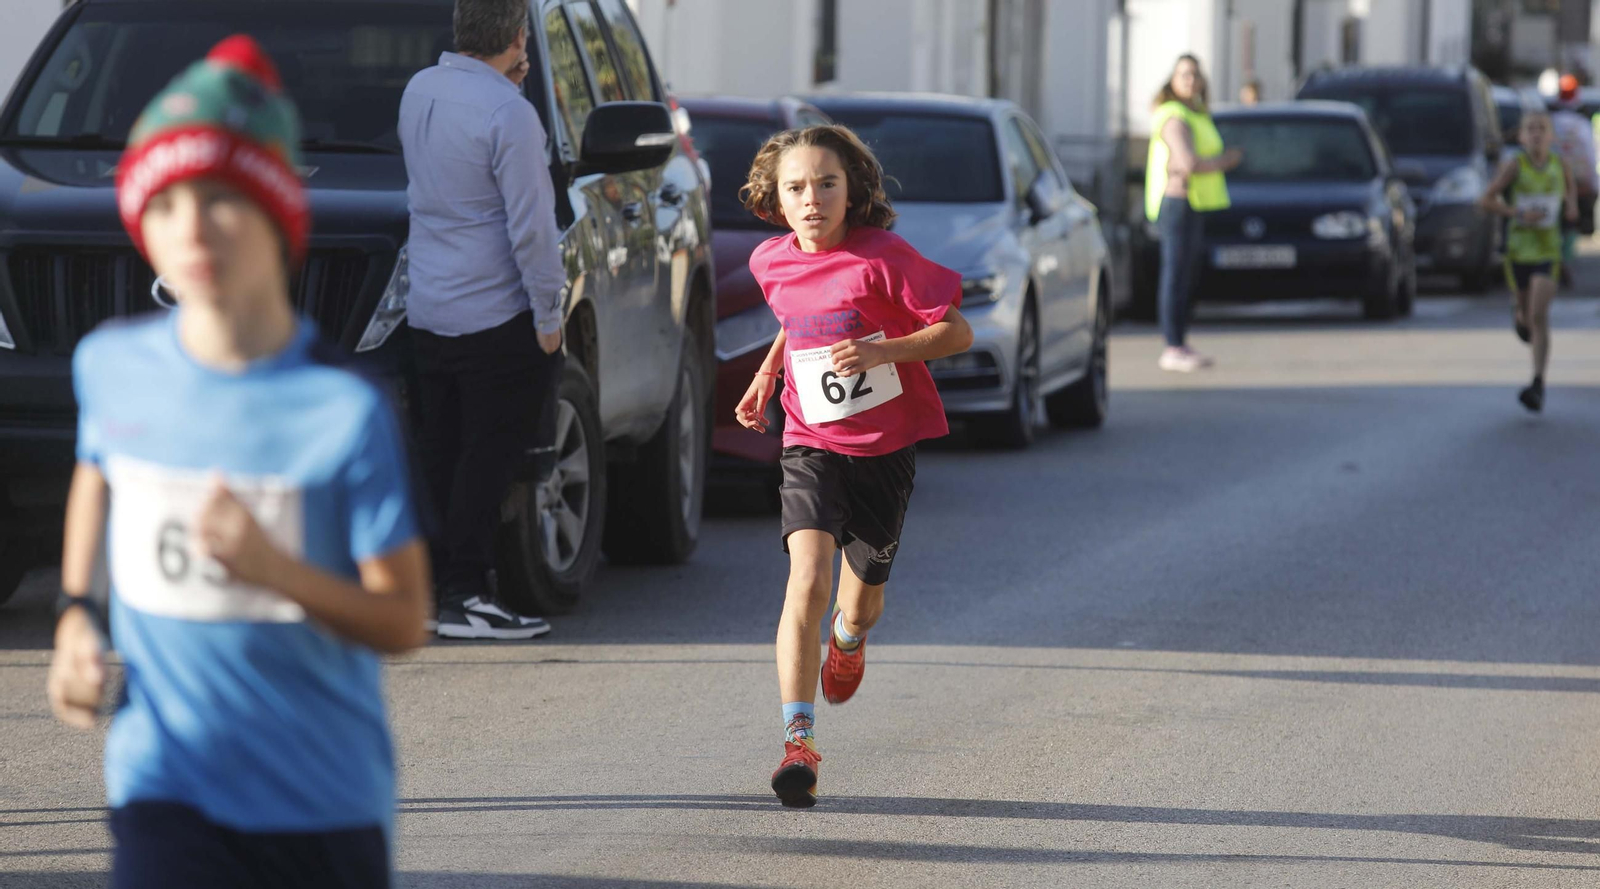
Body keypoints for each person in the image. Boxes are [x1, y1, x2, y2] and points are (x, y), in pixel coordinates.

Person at [46, 35, 429, 887]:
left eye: (221, 198)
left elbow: (404, 618)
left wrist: (273, 569)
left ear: (276, 211)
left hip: (318, 807)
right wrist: (76, 612)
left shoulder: (342, 409)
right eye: (165, 202)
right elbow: (97, 468)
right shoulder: (112, 364)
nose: (191, 228)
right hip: (164, 784)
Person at [735, 126, 974, 808]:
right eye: (796, 188)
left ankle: (848, 637)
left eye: (827, 184)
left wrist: (883, 351)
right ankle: (798, 743)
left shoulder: (884, 257)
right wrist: (767, 371)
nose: (812, 199)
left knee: (859, 605)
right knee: (806, 579)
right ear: (775, 199)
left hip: (884, 449)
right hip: (809, 439)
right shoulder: (769, 260)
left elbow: (957, 331)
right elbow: (798, 313)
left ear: (852, 190)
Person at [399, 0, 566, 640]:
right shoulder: (508, 112)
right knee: (488, 458)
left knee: (439, 453)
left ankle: (433, 590)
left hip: (428, 305)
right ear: (519, 36)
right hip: (495, 313)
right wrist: (548, 313)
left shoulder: (420, 88)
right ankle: (467, 594)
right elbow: (532, 228)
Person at [1146, 54, 1242, 373]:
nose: (1190, 80)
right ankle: (1172, 346)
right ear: (1172, 81)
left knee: (1187, 275)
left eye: (1195, 74)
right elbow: (1188, 162)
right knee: (1174, 274)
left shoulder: (1196, 113)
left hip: (1194, 203)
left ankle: (1180, 343)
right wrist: (1226, 161)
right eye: (1183, 74)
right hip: (1178, 203)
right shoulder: (1173, 116)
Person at [1480, 109, 1576, 413]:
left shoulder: (1560, 165)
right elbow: (1486, 200)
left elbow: (1571, 192)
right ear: (1522, 136)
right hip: (1518, 251)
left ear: (1551, 136)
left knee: (1539, 314)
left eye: (1541, 129)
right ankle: (1519, 316)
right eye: (1530, 129)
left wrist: (1571, 207)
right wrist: (1518, 213)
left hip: (1548, 251)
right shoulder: (1515, 166)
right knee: (1526, 317)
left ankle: (1537, 383)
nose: (1536, 134)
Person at [1550, 75, 1596, 287]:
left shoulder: (1551, 122)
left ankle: (1557, 259)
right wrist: (1593, 183)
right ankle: (1564, 259)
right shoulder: (1581, 125)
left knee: (1556, 223)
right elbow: (1590, 154)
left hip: (1554, 182)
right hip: (1577, 183)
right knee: (1570, 225)